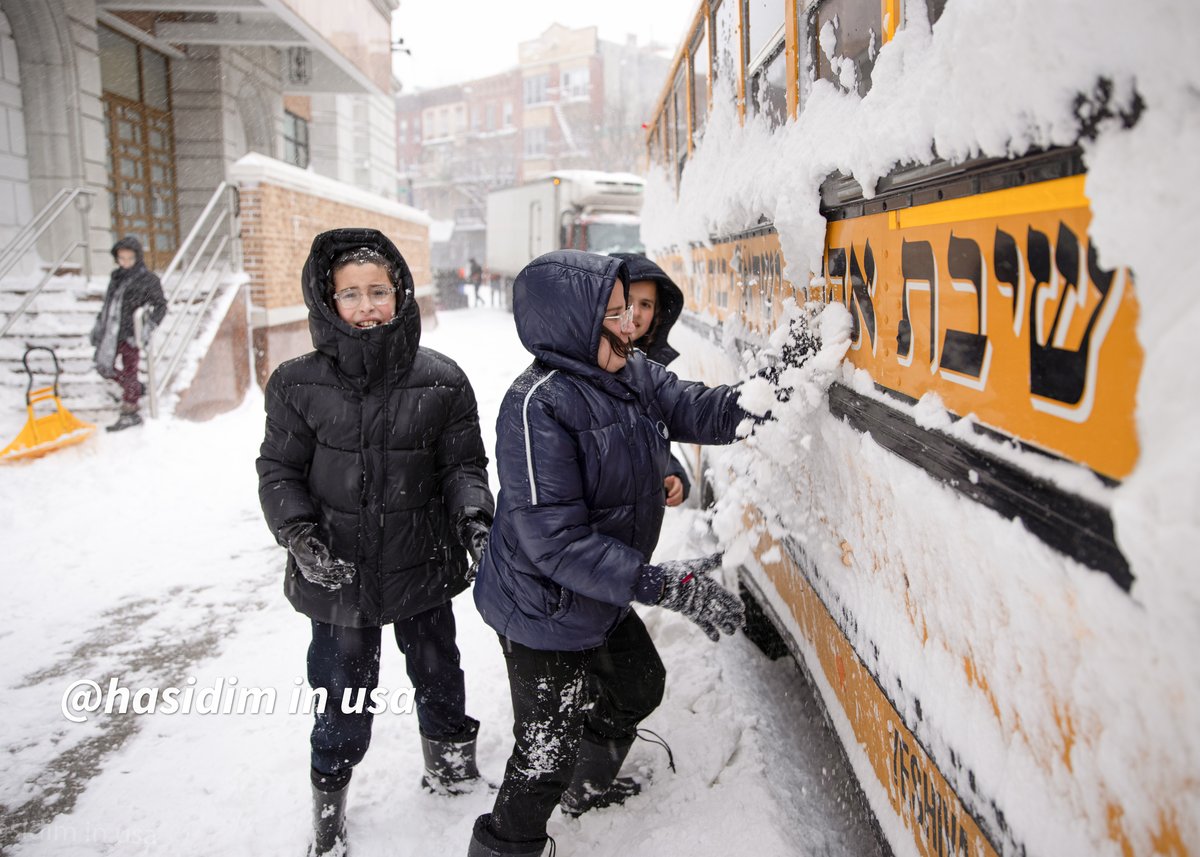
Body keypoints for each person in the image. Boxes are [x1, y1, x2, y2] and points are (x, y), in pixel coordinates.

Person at [466, 250, 750, 857]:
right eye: (614, 314)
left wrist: (779, 388)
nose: (630, 325)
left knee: (639, 684)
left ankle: (586, 789)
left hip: (600, 588)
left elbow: (704, 409)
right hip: (540, 605)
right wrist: (668, 587)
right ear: (571, 325)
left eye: (631, 311)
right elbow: (556, 541)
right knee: (546, 750)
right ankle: (508, 844)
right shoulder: (535, 405)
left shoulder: (633, 375)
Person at [256, 228, 494, 857]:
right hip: (337, 573)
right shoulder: (295, 383)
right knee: (343, 692)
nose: (367, 306)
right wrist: (299, 536)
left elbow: (462, 467)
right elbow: (279, 471)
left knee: (439, 671)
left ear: (401, 294)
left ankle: (451, 770)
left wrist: (474, 517)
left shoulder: (442, 380)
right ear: (327, 301)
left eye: (379, 291)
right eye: (351, 294)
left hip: (422, 563)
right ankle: (329, 813)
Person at [611, 252, 691, 508]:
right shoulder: (593, 365)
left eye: (646, 304)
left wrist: (670, 470)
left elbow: (647, 434)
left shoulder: (645, 369)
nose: (635, 313)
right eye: (627, 301)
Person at [89, 236, 167, 432]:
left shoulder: (148, 279)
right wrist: (100, 326)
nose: (125, 262)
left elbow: (160, 305)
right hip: (112, 332)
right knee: (103, 366)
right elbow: (108, 304)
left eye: (129, 258)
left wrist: (148, 327)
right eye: (121, 258)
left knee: (130, 370)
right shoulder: (116, 277)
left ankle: (130, 410)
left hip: (132, 333)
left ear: (137, 257)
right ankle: (135, 389)